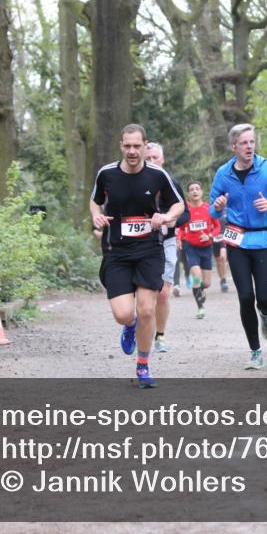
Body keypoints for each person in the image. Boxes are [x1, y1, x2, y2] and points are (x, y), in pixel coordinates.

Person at [90, 124, 184, 388]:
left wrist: (166, 217)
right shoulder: (106, 174)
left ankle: (143, 365)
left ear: (145, 146)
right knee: (123, 314)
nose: (132, 151)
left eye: (137, 146)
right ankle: (128, 326)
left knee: (146, 310)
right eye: (127, 146)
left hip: (149, 250)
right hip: (117, 251)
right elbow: (95, 200)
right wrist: (95, 215)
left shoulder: (157, 175)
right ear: (121, 145)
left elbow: (179, 204)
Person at [209, 123, 267, 370]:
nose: (249, 146)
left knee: (265, 299)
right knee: (244, 297)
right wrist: (218, 206)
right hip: (237, 240)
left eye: (252, 142)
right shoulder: (223, 173)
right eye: (244, 143)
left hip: (263, 239)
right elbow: (212, 208)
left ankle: (265, 314)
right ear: (234, 147)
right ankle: (255, 352)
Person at [144, 142, 189, 354]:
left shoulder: (172, 183)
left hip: (167, 242)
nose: (152, 162)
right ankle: (140, 329)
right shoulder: (134, 183)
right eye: (148, 158)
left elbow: (185, 213)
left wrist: (173, 221)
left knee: (162, 293)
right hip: (141, 243)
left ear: (163, 160)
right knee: (144, 293)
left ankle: (160, 336)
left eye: (155, 158)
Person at [177, 181, 220, 319]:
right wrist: (178, 238)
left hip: (206, 247)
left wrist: (209, 235)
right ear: (188, 194)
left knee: (206, 283)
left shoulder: (209, 209)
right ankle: (200, 307)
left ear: (201, 192)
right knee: (196, 275)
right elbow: (182, 228)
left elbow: (218, 227)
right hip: (191, 247)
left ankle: (199, 289)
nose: (195, 191)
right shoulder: (186, 210)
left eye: (197, 189)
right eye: (191, 189)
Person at [212, 214, 230, 292]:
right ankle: (222, 279)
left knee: (223, 258)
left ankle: (224, 280)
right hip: (215, 238)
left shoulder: (228, 209)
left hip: (226, 236)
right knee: (218, 261)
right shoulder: (211, 210)